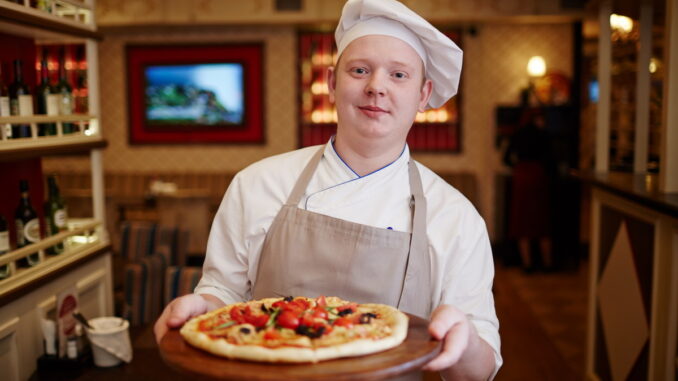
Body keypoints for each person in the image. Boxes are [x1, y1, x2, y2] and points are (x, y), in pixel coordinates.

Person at [155, 0, 501, 379]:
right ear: (333, 84)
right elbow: (223, 292)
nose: (376, 87)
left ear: (423, 95)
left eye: (399, 75)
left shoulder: (456, 216)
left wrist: (463, 338)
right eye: (359, 70)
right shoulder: (257, 183)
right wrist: (201, 309)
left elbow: (477, 372)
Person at [503, 109, 555, 272]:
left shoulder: (518, 133)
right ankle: (547, 263)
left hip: (522, 177)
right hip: (538, 177)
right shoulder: (544, 134)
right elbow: (551, 159)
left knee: (522, 222)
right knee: (542, 222)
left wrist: (517, 167)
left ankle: (527, 264)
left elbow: (505, 158)